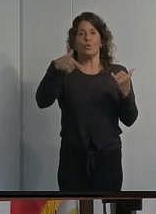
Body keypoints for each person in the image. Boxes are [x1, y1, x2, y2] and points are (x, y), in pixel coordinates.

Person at [36, 12, 138, 192]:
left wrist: (126, 93)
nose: (87, 39)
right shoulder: (64, 71)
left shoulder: (117, 73)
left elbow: (130, 119)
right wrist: (54, 70)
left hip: (108, 158)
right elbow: (42, 101)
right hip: (72, 158)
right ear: (74, 41)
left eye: (93, 33)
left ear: (102, 40)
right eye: (81, 34)